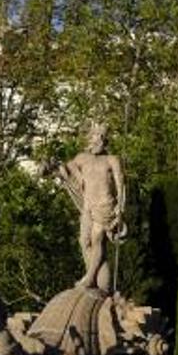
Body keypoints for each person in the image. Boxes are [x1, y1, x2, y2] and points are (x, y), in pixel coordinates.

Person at [52, 123, 126, 292]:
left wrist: (120, 208)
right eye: (95, 136)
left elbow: (120, 184)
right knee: (84, 242)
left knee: (97, 239)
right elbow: (68, 168)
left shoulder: (112, 159)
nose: (97, 139)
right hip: (87, 206)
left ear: (105, 140)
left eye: (101, 137)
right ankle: (100, 281)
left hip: (105, 206)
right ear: (90, 138)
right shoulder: (82, 158)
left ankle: (90, 277)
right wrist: (75, 175)